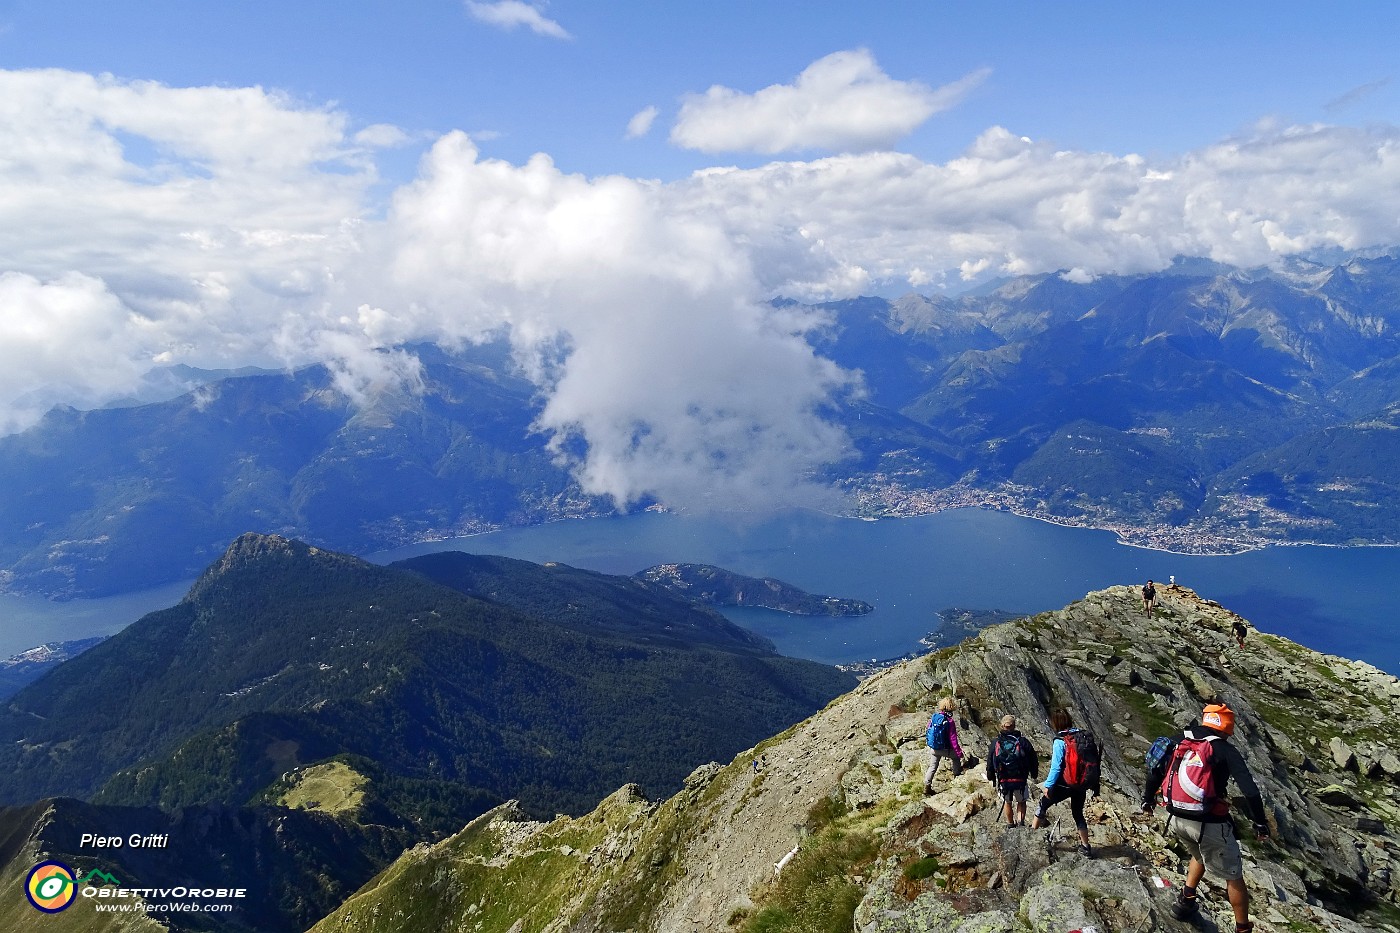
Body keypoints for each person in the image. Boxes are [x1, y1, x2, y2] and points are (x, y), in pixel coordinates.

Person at [1141, 703, 1270, 933]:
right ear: (1227, 728)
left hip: (1176, 818)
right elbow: (1250, 790)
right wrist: (1260, 823)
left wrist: (1148, 800)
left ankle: (1186, 901)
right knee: (1234, 875)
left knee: (1199, 854)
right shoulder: (1224, 749)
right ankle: (1243, 928)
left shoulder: (1179, 738)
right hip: (1208, 823)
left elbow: (1155, 769)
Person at [1030, 707, 1100, 857]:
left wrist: (1048, 786)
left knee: (1042, 805)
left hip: (1065, 783)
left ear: (1055, 723)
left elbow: (1056, 767)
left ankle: (1031, 838)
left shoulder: (1060, 741)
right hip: (1081, 783)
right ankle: (1086, 847)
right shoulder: (1082, 736)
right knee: (1078, 814)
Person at [986, 714, 1039, 826]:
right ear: (1014, 726)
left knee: (1007, 802)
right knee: (1021, 801)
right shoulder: (1023, 741)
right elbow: (1033, 758)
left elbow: (990, 759)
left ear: (1002, 726)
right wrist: (1034, 773)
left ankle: (1010, 823)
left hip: (1003, 778)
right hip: (1020, 778)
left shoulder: (996, 742)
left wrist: (990, 775)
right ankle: (1020, 822)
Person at [924, 696, 963, 793]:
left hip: (933, 748)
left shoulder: (934, 717)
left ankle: (927, 787)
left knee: (932, 767)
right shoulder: (950, 721)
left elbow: (928, 728)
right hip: (945, 749)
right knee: (956, 759)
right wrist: (959, 752)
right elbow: (953, 739)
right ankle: (957, 777)